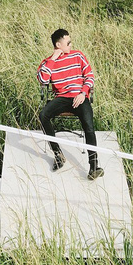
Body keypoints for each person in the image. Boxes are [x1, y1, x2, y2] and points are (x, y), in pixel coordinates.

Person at [37, 29, 104, 180]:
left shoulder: (77, 55)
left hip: (79, 96)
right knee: (43, 116)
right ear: (58, 45)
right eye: (68, 43)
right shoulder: (48, 62)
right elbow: (43, 80)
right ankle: (58, 155)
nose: (71, 44)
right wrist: (53, 59)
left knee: (88, 125)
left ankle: (93, 166)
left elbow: (89, 76)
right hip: (61, 98)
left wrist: (83, 92)